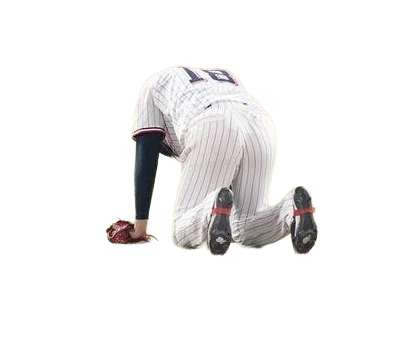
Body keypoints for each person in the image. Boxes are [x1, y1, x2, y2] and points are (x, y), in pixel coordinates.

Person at [129, 65, 318, 256]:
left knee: (181, 232)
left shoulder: (152, 84)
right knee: (246, 226)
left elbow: (146, 149)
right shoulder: (224, 73)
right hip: (261, 125)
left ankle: (210, 210)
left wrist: (140, 227)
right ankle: (291, 209)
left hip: (211, 121)